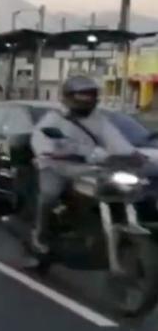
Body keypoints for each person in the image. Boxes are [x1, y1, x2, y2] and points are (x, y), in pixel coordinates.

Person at [30, 75, 138, 254]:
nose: (86, 100)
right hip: (55, 166)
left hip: (87, 168)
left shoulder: (99, 120)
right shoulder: (54, 119)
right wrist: (51, 152)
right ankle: (40, 234)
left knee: (114, 190)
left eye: (89, 96)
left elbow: (115, 139)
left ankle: (118, 231)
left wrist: (133, 154)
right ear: (67, 97)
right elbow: (42, 140)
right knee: (49, 195)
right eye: (81, 96)